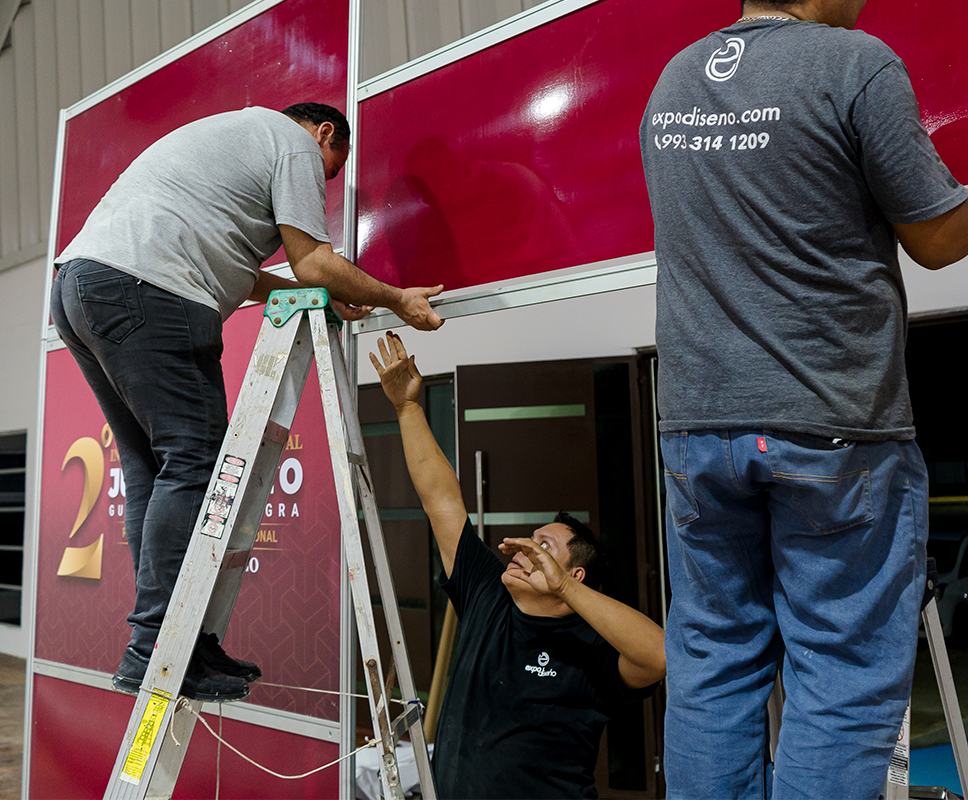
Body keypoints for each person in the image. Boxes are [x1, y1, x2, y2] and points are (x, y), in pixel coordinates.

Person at [638, 0, 968, 799]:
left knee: (712, 665)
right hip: (832, 430)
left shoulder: (673, 82)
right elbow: (935, 236)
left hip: (698, 431)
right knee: (842, 678)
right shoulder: (853, 64)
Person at [51, 103, 444, 702]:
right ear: (325, 134)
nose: (324, 182)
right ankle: (159, 645)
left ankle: (173, 640)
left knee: (152, 467)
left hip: (82, 286)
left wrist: (327, 297)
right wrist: (394, 299)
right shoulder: (292, 142)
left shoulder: (233, 144)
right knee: (194, 461)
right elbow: (313, 259)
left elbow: (255, 274)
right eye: (331, 170)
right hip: (145, 287)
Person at [368, 332, 666, 800]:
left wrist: (565, 589)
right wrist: (408, 408)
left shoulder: (592, 647)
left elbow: (660, 657)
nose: (525, 549)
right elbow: (442, 500)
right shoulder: (487, 593)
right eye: (530, 540)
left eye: (544, 546)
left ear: (574, 575)